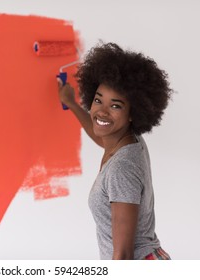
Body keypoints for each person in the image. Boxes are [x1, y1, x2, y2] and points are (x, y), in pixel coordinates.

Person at [58, 42, 172, 260]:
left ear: (132, 113)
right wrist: (72, 104)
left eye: (115, 105)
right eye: (98, 100)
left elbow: (124, 254)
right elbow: (102, 136)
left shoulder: (122, 169)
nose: (102, 111)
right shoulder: (128, 140)